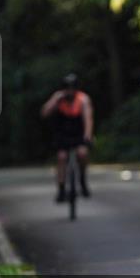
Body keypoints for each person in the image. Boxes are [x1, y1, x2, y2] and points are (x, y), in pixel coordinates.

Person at [40, 73, 93, 202]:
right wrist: (54, 100)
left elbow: (88, 119)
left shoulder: (83, 99)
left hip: (78, 132)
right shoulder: (58, 98)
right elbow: (44, 113)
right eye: (67, 88)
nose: (70, 91)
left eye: (72, 88)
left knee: (82, 153)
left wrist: (87, 135)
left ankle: (82, 180)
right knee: (61, 157)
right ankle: (62, 189)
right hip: (63, 133)